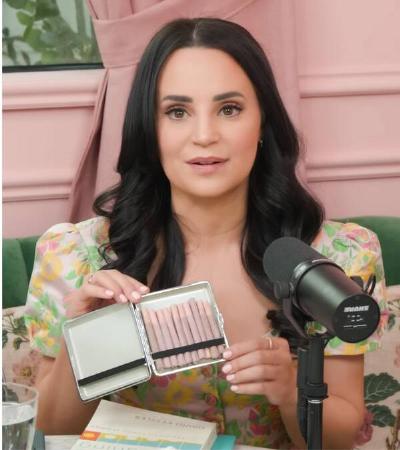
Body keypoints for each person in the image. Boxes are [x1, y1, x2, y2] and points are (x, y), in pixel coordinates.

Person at [23, 18, 388, 449]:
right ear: (150, 129)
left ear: (262, 124)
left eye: (229, 109)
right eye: (177, 112)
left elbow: (341, 441)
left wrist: (291, 389)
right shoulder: (77, 255)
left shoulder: (339, 257)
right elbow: (52, 428)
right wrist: (86, 334)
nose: (204, 136)